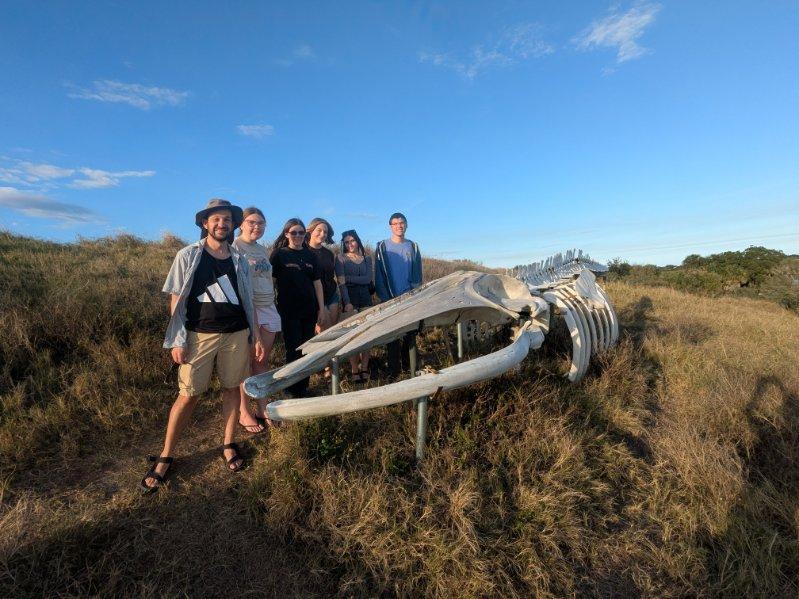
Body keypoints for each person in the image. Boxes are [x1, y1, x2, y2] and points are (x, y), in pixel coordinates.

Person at [140, 199, 263, 494]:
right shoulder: (188, 255)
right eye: (216, 219)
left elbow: (248, 299)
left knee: (233, 389)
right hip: (198, 335)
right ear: (205, 224)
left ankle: (228, 444)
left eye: (227, 220)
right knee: (188, 395)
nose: (222, 224)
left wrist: (255, 334)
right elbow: (176, 299)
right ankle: (166, 455)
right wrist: (177, 339)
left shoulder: (239, 259)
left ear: (233, 225)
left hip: (236, 333)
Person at [232, 207, 278, 432]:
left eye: (261, 223)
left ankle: (262, 406)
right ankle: (244, 411)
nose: (256, 226)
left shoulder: (263, 250)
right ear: (241, 223)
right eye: (252, 222)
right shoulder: (235, 248)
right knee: (246, 364)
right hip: (249, 309)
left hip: (269, 306)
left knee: (262, 361)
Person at [270, 218, 328, 397]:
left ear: (305, 234)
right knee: (293, 349)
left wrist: (322, 308)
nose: (297, 236)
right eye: (293, 232)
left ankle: (303, 388)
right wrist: (271, 307)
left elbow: (317, 283)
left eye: (301, 233)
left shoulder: (311, 255)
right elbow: (270, 283)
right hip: (288, 310)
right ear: (286, 234)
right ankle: (290, 388)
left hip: (309, 310)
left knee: (306, 349)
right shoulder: (279, 255)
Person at [374, 212, 423, 377]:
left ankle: (410, 367)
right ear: (390, 227)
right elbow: (379, 274)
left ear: (406, 225)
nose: (399, 226)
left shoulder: (413, 247)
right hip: (390, 298)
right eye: (395, 223)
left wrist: (416, 294)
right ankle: (393, 371)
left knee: (410, 335)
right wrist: (385, 297)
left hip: (410, 297)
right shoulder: (382, 247)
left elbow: (418, 273)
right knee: (392, 337)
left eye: (401, 222)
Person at [336, 229, 374, 382]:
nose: (350, 244)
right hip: (350, 300)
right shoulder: (340, 258)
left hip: (366, 298)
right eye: (346, 242)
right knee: (352, 336)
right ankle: (354, 370)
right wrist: (347, 302)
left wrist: (349, 278)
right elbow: (341, 284)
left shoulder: (367, 258)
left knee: (367, 336)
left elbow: (367, 279)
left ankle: (364, 368)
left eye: (352, 241)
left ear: (357, 241)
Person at [305, 217, 341, 332]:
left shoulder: (329, 253)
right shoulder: (304, 252)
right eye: (319, 230)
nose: (322, 234)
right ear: (311, 230)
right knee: (325, 333)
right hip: (315, 298)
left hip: (332, 295)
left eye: (325, 232)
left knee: (333, 331)